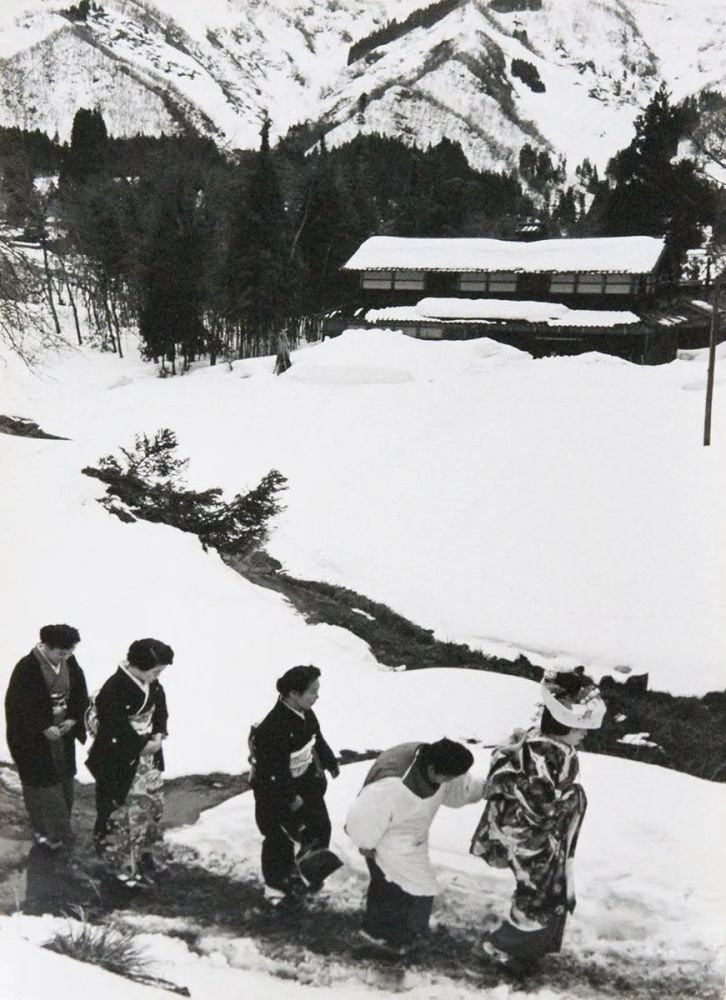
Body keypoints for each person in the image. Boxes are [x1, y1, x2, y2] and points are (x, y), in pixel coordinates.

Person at [470, 667, 606, 967]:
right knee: (538, 894)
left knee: (546, 891)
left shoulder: (550, 744)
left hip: (538, 834)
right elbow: (541, 807)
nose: (583, 733)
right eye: (579, 728)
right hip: (529, 836)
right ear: (562, 726)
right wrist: (573, 798)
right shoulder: (545, 754)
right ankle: (505, 948)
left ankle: (528, 948)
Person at [345, 738, 485, 954]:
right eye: (447, 777)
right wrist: (366, 843)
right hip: (385, 837)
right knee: (402, 889)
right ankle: (387, 940)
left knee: (410, 888)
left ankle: (397, 935)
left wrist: (487, 789)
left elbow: (460, 789)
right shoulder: (391, 787)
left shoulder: (437, 759)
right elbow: (361, 820)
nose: (448, 781)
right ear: (431, 769)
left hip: (412, 833)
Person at [86, 637, 173, 889]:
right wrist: (140, 745)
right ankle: (117, 866)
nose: (158, 676)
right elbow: (113, 728)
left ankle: (144, 853)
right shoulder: (113, 689)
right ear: (138, 665)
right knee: (120, 810)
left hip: (148, 753)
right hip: (119, 757)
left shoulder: (152, 685)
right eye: (155, 670)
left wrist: (158, 733)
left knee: (150, 806)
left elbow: (160, 711)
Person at [250, 665, 339, 903]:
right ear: (292, 694)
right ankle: (276, 889)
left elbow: (317, 738)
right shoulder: (273, 728)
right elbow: (273, 770)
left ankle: (306, 876)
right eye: (312, 691)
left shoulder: (306, 713)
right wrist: (291, 798)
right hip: (275, 790)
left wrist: (330, 761)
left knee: (320, 827)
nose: (317, 696)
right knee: (279, 837)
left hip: (305, 783)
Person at [5, 624, 88, 851]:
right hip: (33, 738)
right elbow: (17, 706)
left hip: (62, 732)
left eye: (70, 651)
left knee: (63, 779)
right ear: (46, 646)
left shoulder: (69, 662)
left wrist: (73, 718)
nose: (67, 656)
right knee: (40, 783)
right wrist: (42, 727)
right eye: (62, 652)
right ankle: (43, 832)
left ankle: (62, 829)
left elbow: (80, 691)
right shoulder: (27, 667)